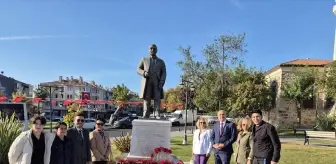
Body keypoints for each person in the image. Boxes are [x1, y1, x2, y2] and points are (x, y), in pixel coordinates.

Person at [136, 44, 167, 118]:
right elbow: (138, 69)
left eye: (154, 48)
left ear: (156, 50)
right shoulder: (144, 59)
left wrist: (162, 81)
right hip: (147, 81)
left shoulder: (161, 61)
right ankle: (146, 113)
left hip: (157, 81)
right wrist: (144, 73)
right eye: (151, 48)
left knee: (157, 98)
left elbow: (164, 72)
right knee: (147, 98)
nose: (152, 50)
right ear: (149, 50)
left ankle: (156, 113)